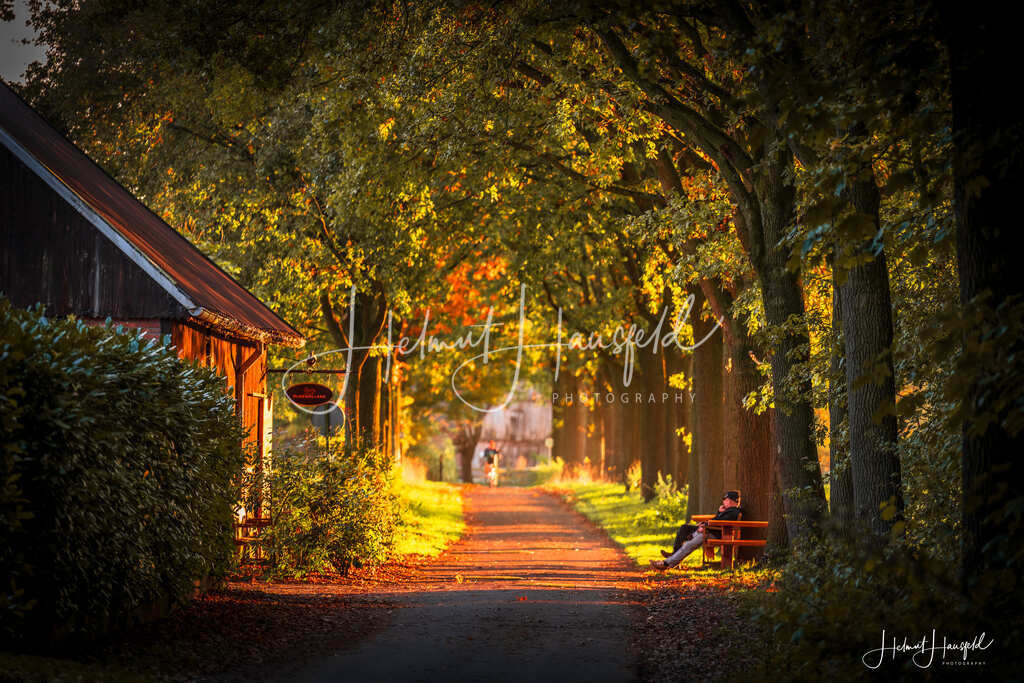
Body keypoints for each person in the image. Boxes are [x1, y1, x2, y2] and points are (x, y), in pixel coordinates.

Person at [649, 490, 743, 571]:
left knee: (688, 544)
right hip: (709, 530)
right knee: (685, 530)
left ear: (730, 501)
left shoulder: (733, 512)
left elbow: (720, 522)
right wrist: (715, 515)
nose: (723, 502)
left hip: (713, 533)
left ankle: (666, 563)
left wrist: (705, 525)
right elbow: (717, 520)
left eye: (725, 500)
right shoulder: (728, 511)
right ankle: (672, 559)